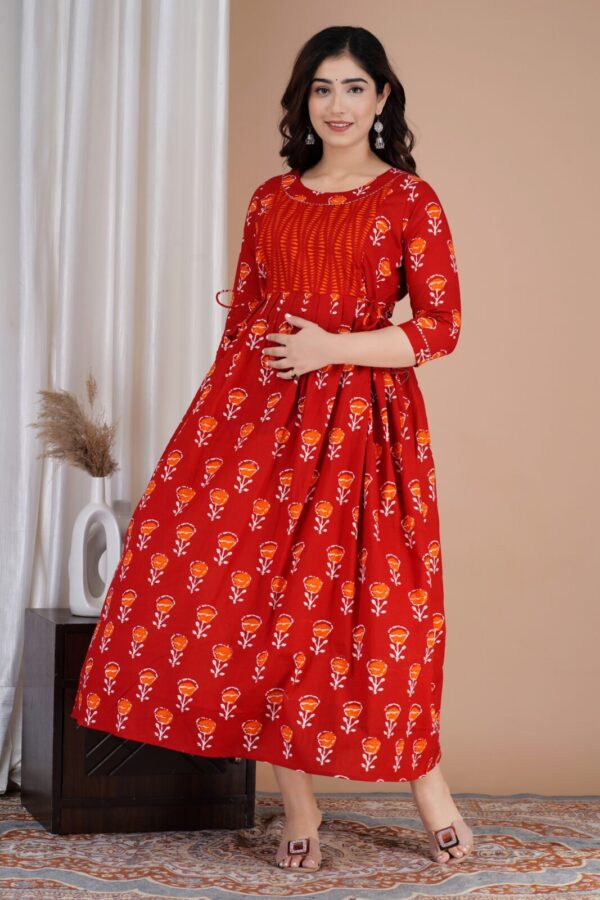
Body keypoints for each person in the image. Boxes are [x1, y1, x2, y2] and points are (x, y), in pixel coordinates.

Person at [71, 24, 474, 873]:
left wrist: (333, 348)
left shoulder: (410, 199)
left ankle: (428, 786)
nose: (337, 104)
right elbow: (245, 325)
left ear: (382, 97)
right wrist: (210, 436)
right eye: (322, 88)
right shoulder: (271, 200)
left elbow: (441, 327)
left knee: (381, 611)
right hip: (265, 422)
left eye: (354, 87)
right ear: (303, 101)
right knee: (263, 606)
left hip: (368, 432)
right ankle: (297, 802)